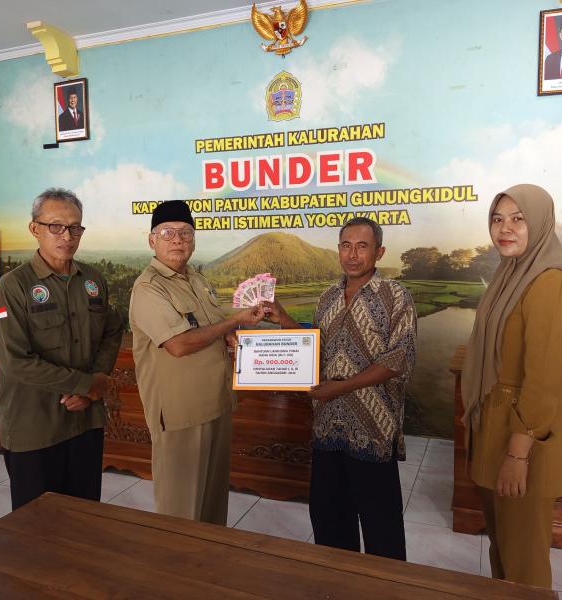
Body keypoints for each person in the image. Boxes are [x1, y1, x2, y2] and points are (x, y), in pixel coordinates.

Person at [266, 217, 417, 560]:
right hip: (328, 428)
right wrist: (283, 317)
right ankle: (337, 581)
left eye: (362, 246)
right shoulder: (328, 296)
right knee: (330, 521)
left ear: (379, 252)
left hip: (373, 431)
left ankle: (383, 584)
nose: (353, 254)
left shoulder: (396, 296)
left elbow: (400, 357)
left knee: (382, 528)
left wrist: (341, 387)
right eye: (346, 246)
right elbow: (314, 347)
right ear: (338, 250)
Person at [461, 184, 562, 588]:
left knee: (524, 564)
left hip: (523, 440)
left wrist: (517, 454)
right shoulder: (509, 274)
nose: (505, 228)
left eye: (518, 219)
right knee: (504, 551)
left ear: (541, 223)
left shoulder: (551, 283)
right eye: (497, 219)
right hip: (497, 430)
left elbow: (544, 380)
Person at [128, 200, 266, 525]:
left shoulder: (197, 280)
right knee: (180, 515)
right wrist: (234, 322)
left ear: (193, 239)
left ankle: (210, 557)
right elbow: (179, 344)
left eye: (186, 233)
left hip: (216, 404)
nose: (178, 240)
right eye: (168, 233)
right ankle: (179, 562)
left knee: (212, 508)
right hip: (182, 415)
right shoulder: (148, 288)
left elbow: (211, 327)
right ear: (152, 240)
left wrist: (230, 333)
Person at [0, 187, 124, 510]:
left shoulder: (92, 280)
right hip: (35, 427)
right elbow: (15, 361)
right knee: (37, 523)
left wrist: (95, 381)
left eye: (75, 227)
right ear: (34, 228)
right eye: (56, 226)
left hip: (85, 422)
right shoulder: (14, 286)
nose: (67, 236)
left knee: (84, 515)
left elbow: (112, 329)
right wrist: (85, 384)